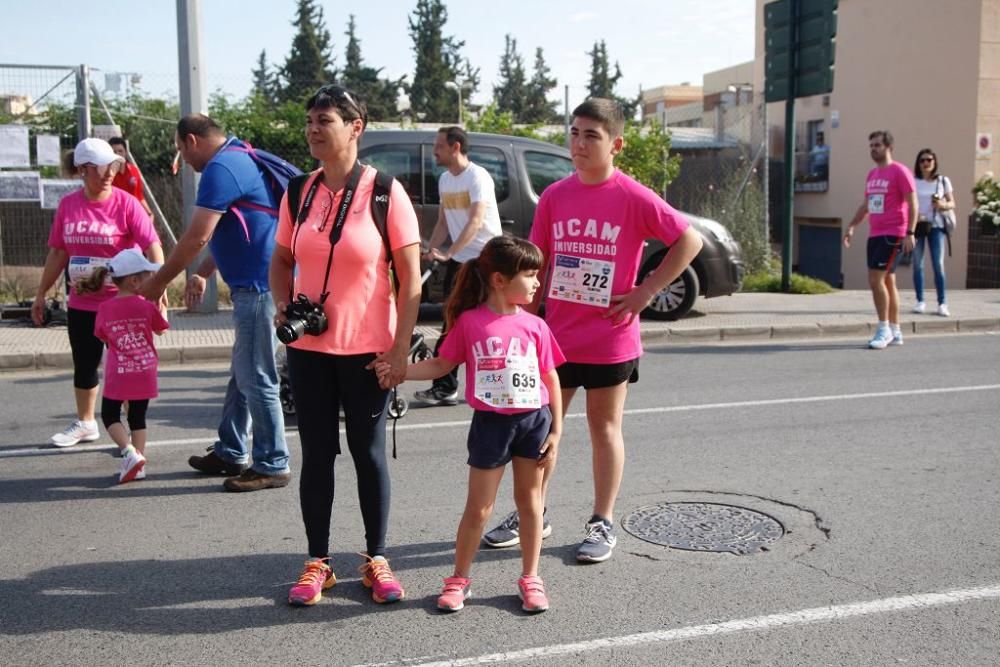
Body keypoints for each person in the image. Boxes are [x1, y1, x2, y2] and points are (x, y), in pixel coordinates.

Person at [483, 98, 703, 563]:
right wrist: (521, 322)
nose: (579, 144)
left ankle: (602, 521)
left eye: (592, 136)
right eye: (575, 133)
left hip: (610, 337)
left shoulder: (632, 195)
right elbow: (536, 264)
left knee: (604, 427)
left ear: (615, 144)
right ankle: (534, 511)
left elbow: (690, 239)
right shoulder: (556, 197)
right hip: (555, 337)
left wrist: (645, 291)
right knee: (541, 429)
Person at [269, 85, 421, 607]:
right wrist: (283, 304)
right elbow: (283, 259)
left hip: (368, 351)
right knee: (316, 455)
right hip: (310, 350)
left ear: (355, 127)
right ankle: (318, 563)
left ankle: (377, 559)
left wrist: (400, 352)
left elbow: (412, 280)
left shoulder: (385, 192)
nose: (313, 128)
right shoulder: (298, 191)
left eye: (325, 119)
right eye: (310, 119)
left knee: (368, 454)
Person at [380, 236, 564, 613]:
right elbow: (442, 365)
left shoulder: (535, 326)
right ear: (499, 279)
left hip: (534, 423)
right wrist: (401, 372)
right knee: (479, 508)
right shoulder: (470, 322)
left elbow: (550, 378)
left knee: (531, 505)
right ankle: (459, 579)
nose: (536, 283)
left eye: (536, 276)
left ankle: (531, 578)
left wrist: (557, 431)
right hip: (491, 426)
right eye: (529, 275)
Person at [138, 114, 291, 492]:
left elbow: (197, 236)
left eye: (180, 151)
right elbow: (242, 228)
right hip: (261, 284)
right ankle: (230, 450)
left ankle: (272, 463)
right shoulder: (242, 156)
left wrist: (158, 283)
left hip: (258, 288)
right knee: (244, 373)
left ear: (191, 140)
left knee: (256, 375)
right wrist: (205, 272)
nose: (184, 161)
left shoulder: (222, 167)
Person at [31, 138, 164, 447]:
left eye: (113, 166)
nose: (109, 173)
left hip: (124, 304)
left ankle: (133, 432)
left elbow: (152, 245)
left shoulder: (126, 203)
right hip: (84, 303)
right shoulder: (68, 205)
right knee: (85, 363)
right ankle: (86, 422)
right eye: (102, 168)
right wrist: (40, 293)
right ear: (82, 169)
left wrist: (158, 283)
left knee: (127, 366)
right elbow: (57, 254)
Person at [413, 126, 502, 407]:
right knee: (455, 320)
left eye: (439, 146)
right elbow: (442, 222)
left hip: (486, 260)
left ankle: (453, 385)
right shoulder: (445, 180)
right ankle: (446, 385)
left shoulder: (478, 177)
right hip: (461, 260)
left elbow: (475, 221)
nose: (434, 151)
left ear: (455, 147)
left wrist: (449, 252)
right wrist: (433, 250)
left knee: (486, 321)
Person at [77, 249, 169, 483]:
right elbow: (161, 328)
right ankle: (138, 463)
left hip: (120, 373)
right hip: (145, 371)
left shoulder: (105, 308)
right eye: (148, 275)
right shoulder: (147, 306)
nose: (152, 279)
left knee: (110, 415)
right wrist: (161, 305)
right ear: (134, 280)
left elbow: (102, 336)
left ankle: (128, 452)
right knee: (138, 418)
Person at [843, 130, 918, 349]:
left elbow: (913, 203)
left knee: (875, 279)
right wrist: (852, 226)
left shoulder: (900, 172)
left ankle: (883, 329)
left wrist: (910, 233)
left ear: (888, 147)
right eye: (871, 146)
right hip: (875, 233)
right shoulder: (872, 175)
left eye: (877, 145)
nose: (873, 149)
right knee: (887, 281)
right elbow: (867, 205)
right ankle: (895, 330)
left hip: (893, 232)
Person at [910, 148, 954, 316]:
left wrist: (942, 205)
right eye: (922, 160)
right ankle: (920, 301)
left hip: (936, 226)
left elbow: (952, 203)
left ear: (934, 162)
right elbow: (907, 203)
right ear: (918, 163)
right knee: (917, 264)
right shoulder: (913, 181)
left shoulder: (943, 181)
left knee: (938, 265)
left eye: (929, 160)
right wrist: (916, 215)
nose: (926, 163)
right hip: (918, 226)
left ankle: (942, 303)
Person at [108, 137, 154, 218]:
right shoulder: (106, 174)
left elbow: (139, 196)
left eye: (120, 151)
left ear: (125, 153)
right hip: (114, 215)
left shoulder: (133, 170)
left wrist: (149, 213)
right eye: (114, 152)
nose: (117, 154)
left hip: (134, 213)